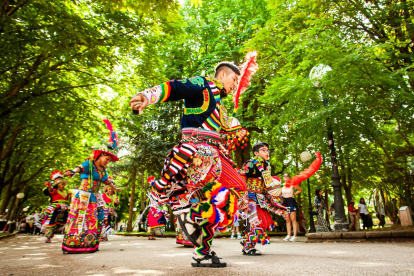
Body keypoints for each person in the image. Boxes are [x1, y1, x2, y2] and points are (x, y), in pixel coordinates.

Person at [129, 61, 251, 267]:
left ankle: (196, 230)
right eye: (234, 79)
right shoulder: (203, 85)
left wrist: (237, 132)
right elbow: (176, 87)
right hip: (198, 152)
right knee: (201, 200)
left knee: (237, 186)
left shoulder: (220, 106)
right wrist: (146, 96)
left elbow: (228, 133)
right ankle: (194, 230)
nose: (235, 84)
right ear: (222, 75)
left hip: (216, 154)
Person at [62, 148, 119, 253]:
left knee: (96, 220)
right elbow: (80, 168)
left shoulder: (103, 170)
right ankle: (73, 244)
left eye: (109, 160)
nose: (107, 162)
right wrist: (73, 172)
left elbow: (106, 181)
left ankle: (91, 244)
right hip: (84, 196)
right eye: (106, 159)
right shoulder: (90, 163)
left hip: (95, 197)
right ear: (100, 156)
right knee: (80, 218)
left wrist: (115, 188)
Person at [239, 142, 289, 255]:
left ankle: (246, 240)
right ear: (256, 153)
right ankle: (248, 247)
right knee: (257, 222)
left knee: (263, 221)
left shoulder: (266, 165)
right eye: (263, 150)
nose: (267, 152)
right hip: (250, 197)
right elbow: (241, 178)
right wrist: (243, 197)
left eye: (267, 150)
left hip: (261, 197)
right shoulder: (251, 164)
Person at [42, 171, 70, 243]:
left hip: (66, 207)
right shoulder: (54, 191)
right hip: (55, 207)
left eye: (64, 184)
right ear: (58, 185)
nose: (63, 186)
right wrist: (48, 186)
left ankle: (68, 235)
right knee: (51, 220)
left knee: (69, 219)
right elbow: (49, 189)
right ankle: (48, 237)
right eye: (62, 184)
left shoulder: (66, 192)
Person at [282, 173, 302, 241]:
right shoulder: (282, 185)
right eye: (284, 176)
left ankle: (295, 235)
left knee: (293, 219)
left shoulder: (292, 184)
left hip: (291, 201)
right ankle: (288, 235)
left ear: (289, 177)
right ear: (283, 177)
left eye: (287, 176)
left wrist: (294, 194)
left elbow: (300, 190)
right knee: (287, 220)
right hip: (284, 202)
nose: (286, 177)